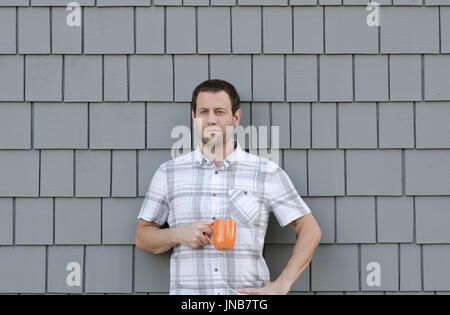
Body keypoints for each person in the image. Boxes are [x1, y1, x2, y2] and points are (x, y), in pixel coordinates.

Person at [135, 79, 322, 295]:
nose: (211, 119)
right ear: (194, 117)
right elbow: (143, 236)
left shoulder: (266, 172)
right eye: (203, 111)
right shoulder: (169, 173)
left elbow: (310, 229)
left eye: (220, 112)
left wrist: (283, 283)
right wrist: (178, 234)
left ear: (235, 118)